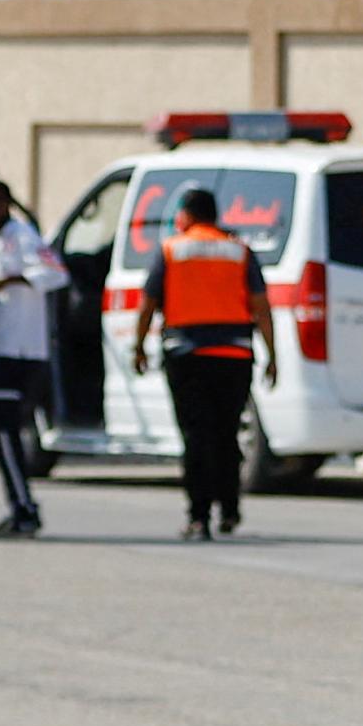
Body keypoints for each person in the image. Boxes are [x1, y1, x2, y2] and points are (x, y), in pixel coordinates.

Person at [131, 184, 278, 541]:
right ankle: (229, 508)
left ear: (186, 215)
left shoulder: (171, 250)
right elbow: (261, 307)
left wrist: (138, 345)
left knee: (196, 435)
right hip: (234, 355)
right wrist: (274, 355)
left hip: (186, 355)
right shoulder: (239, 251)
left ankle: (199, 516)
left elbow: (148, 303)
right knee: (226, 434)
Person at [0, 178, 68, 539]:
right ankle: (19, 505)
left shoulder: (22, 237)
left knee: (4, 429)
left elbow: (55, 274)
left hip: (20, 350)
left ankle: (25, 509)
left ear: (7, 202)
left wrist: (14, 279)